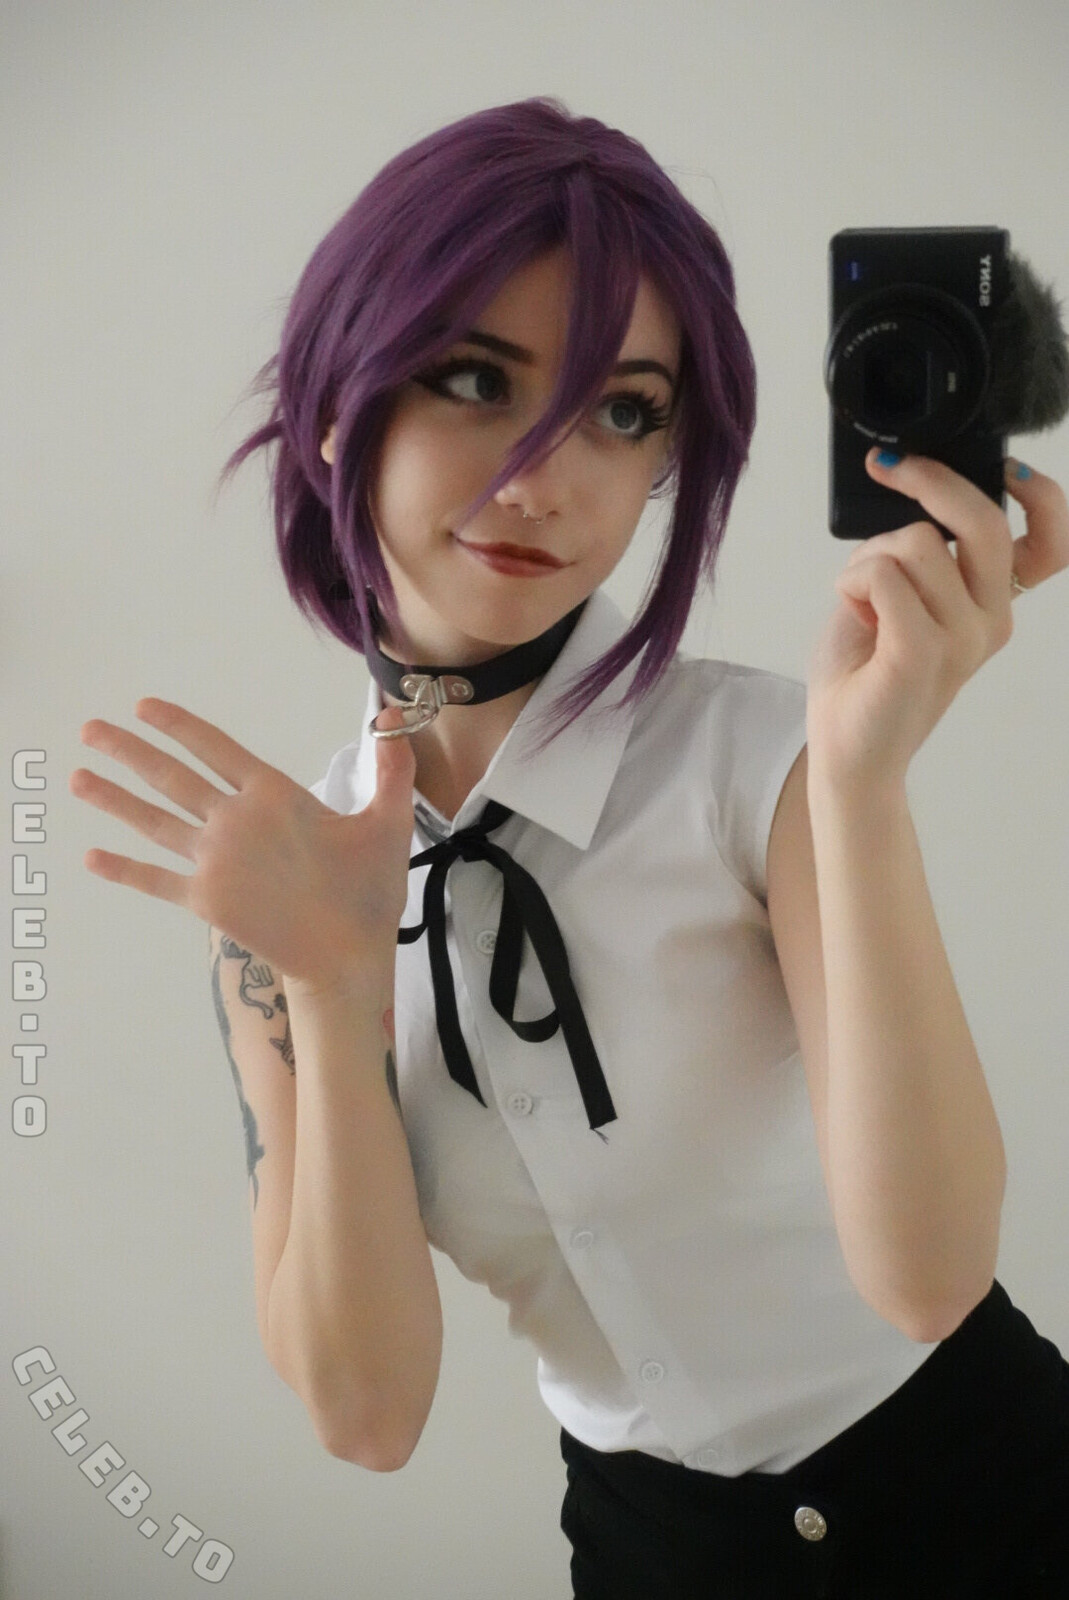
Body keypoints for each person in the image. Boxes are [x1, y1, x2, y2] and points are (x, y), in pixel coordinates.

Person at [70, 97, 1069, 1597]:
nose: (545, 475)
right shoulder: (286, 899)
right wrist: (335, 990)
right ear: (339, 406)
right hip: (648, 1554)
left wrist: (862, 787)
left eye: (624, 411)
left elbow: (930, 1281)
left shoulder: (766, 761)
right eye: (476, 380)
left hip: (994, 1501)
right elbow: (366, 1416)